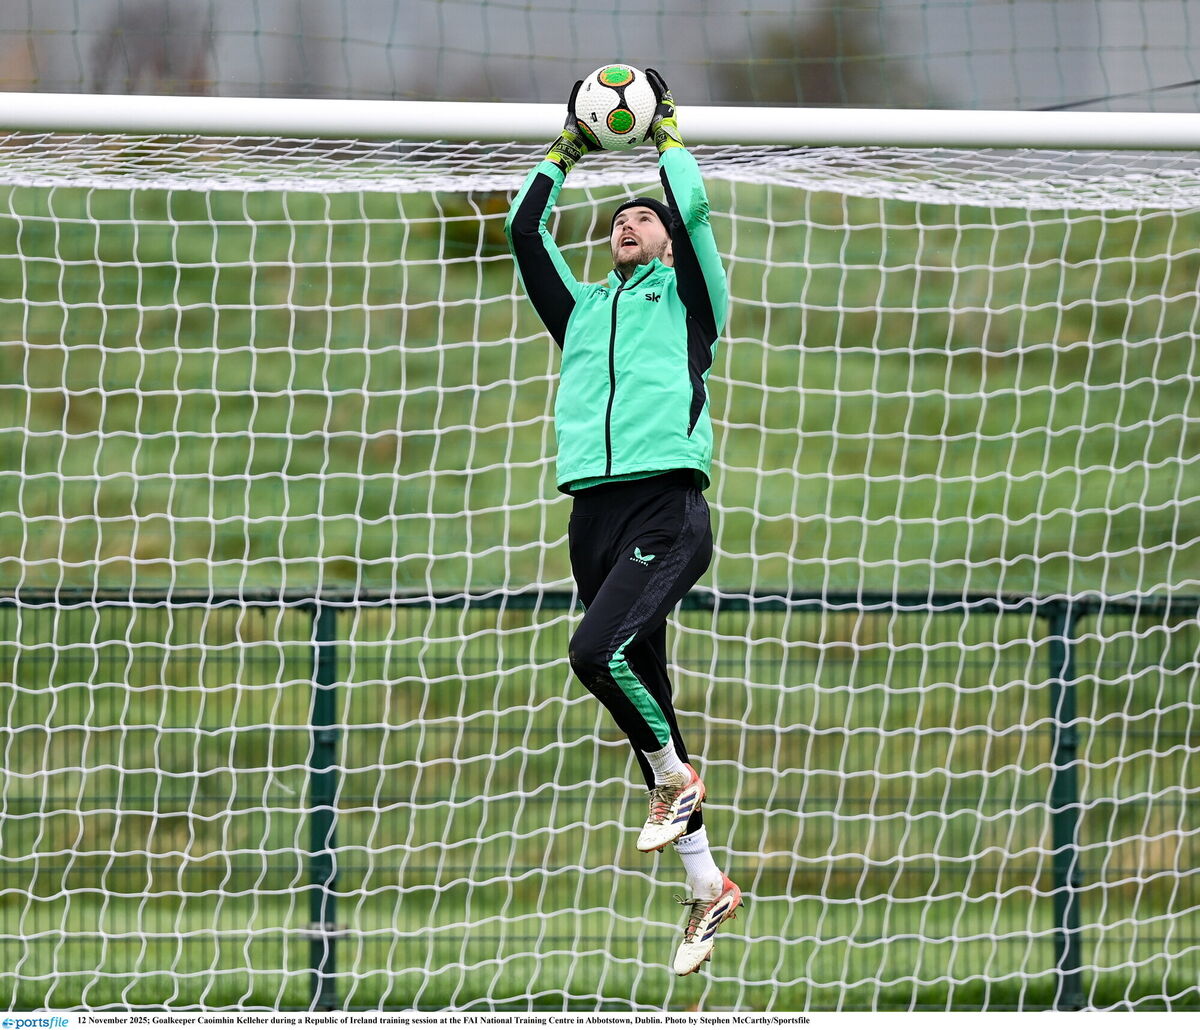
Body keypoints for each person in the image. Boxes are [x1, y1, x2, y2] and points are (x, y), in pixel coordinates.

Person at [504, 68, 742, 976]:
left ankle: (677, 785)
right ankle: (706, 885)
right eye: (618, 220)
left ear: (674, 244)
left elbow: (696, 211)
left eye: (643, 217)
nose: (626, 224)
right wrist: (567, 149)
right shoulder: (583, 310)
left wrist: (664, 135)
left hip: (665, 508)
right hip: (591, 517)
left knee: (592, 655)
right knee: (646, 693)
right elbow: (525, 230)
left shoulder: (691, 301)